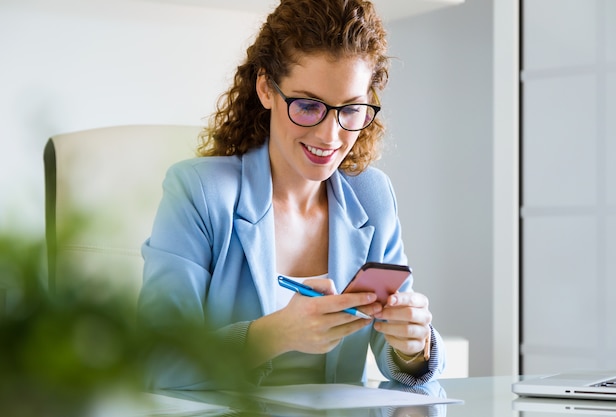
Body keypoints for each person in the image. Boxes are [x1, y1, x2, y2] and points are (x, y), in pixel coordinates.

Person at [137, 0, 446, 390]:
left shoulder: (371, 195)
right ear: (266, 88)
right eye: (307, 105)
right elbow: (157, 360)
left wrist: (412, 346)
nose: (329, 136)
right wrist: (276, 335)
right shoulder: (198, 192)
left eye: (350, 110)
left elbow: (396, 352)